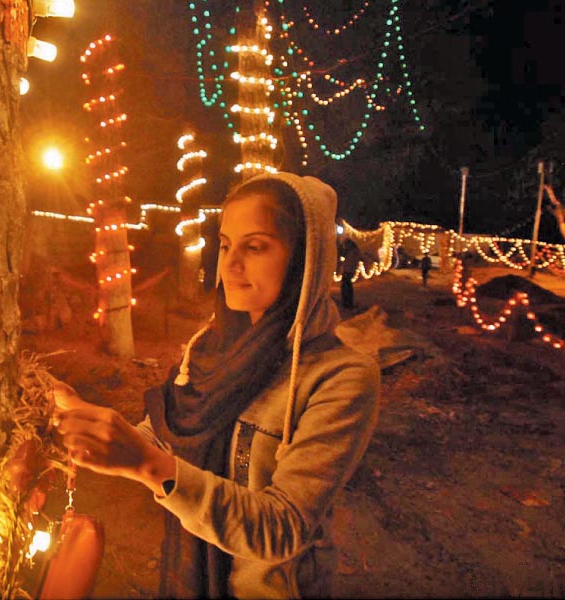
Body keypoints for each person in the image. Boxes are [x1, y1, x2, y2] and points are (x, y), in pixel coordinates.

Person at [52, 172, 380, 599]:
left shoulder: (340, 377)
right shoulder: (209, 345)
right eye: (225, 245)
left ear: (305, 259)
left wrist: (147, 465)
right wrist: (89, 421)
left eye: (255, 246)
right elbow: (170, 437)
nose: (230, 264)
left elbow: (281, 529)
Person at [339, 237, 360, 309]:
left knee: (346, 286)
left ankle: (347, 302)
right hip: (349, 270)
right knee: (347, 286)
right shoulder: (353, 251)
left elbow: (350, 262)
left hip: (348, 271)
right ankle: (347, 302)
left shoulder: (353, 251)